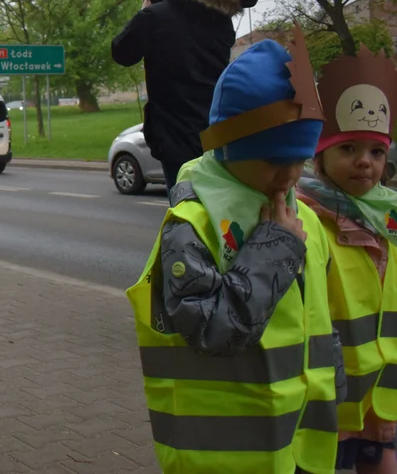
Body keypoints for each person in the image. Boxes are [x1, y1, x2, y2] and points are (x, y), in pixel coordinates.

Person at [127, 31, 339, 473]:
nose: (290, 175)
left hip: (297, 443)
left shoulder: (307, 222)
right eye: (274, 160)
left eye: (300, 159)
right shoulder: (194, 224)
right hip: (222, 454)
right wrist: (275, 248)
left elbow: (320, 325)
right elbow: (210, 329)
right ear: (227, 147)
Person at [297, 46, 397, 473]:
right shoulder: (308, 216)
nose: (364, 162)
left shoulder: (391, 216)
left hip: (384, 390)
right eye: (349, 149)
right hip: (333, 395)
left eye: (376, 152)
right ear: (321, 157)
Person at [112, 0, 243, 198]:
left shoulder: (156, 17)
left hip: (177, 139)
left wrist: (145, 10)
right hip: (217, 132)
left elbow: (122, 52)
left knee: (186, 220)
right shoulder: (222, 18)